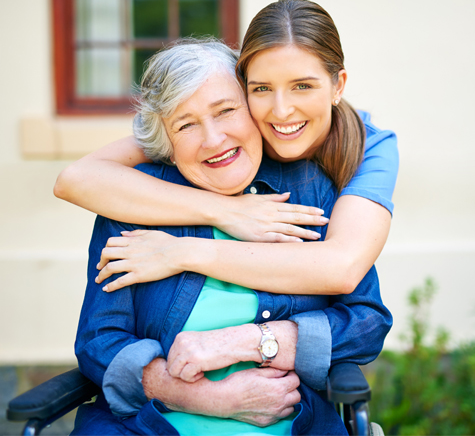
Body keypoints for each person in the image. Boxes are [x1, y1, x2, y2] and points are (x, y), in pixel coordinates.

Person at [71, 39, 391, 435]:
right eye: (185, 124)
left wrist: (257, 340)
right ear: (166, 143)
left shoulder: (313, 192)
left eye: (226, 111)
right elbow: (98, 341)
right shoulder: (130, 204)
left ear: (253, 112)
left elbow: (366, 322)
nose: (214, 139)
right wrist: (199, 396)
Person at [53, 0, 399, 298]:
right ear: (242, 87)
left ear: (337, 85)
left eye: (302, 86)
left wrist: (180, 252)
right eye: (262, 89)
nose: (281, 111)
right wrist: (226, 211)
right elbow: (76, 179)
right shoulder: (232, 128)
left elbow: (342, 267)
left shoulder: (371, 147)